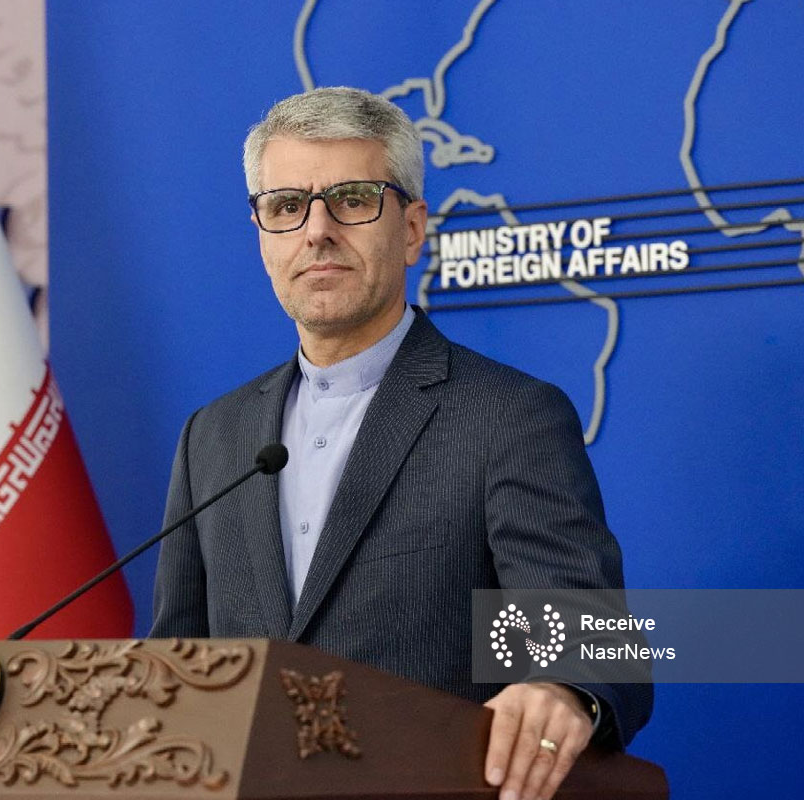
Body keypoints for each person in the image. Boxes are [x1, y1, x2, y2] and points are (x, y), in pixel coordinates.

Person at [150, 86, 651, 800]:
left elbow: (590, 634)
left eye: (352, 200)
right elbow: (176, 666)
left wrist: (559, 689)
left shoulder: (509, 417)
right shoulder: (213, 437)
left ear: (412, 230)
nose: (317, 231)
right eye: (286, 206)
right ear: (263, 236)